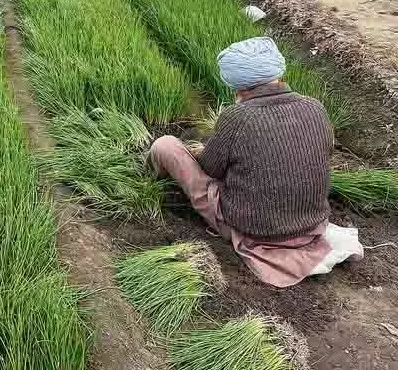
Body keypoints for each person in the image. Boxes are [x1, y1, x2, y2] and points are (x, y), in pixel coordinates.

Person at [148, 37, 363, 288]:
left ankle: (152, 179)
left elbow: (210, 171)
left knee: (165, 145)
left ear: (238, 86)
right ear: (277, 73)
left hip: (254, 230)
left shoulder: (238, 116)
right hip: (311, 225)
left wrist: (202, 151)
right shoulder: (315, 107)